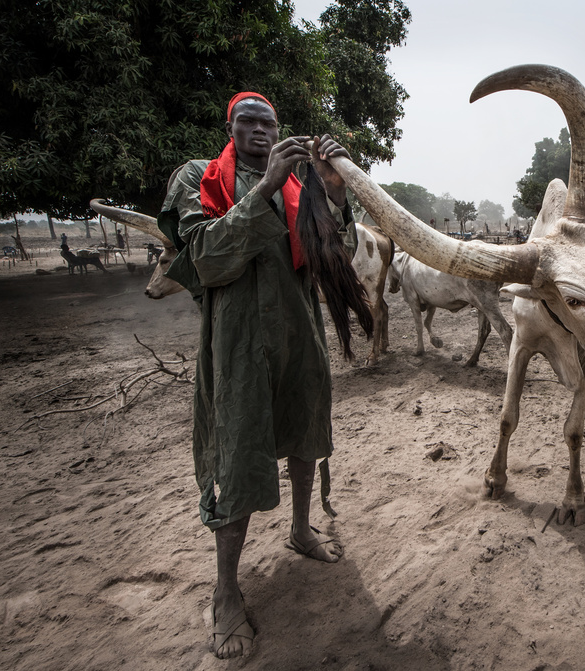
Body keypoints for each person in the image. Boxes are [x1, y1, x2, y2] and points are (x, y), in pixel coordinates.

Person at [157, 92, 353, 659]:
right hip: (237, 345)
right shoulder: (198, 177)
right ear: (230, 126)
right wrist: (265, 188)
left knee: (305, 433)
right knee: (237, 456)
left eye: (269, 122)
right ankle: (225, 595)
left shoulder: (300, 181)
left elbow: (336, 255)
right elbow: (204, 259)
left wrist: (333, 193)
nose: (261, 130)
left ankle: (300, 530)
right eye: (249, 121)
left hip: (297, 335)